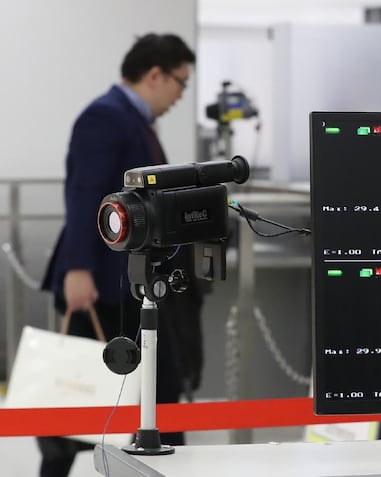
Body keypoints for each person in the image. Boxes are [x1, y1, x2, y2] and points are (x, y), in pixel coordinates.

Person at [39, 33, 198, 477]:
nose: (179, 95)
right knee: (87, 400)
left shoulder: (132, 120)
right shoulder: (106, 117)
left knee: (146, 396)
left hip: (128, 283)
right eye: (180, 84)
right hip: (103, 287)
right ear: (154, 75)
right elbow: (83, 194)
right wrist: (78, 269)